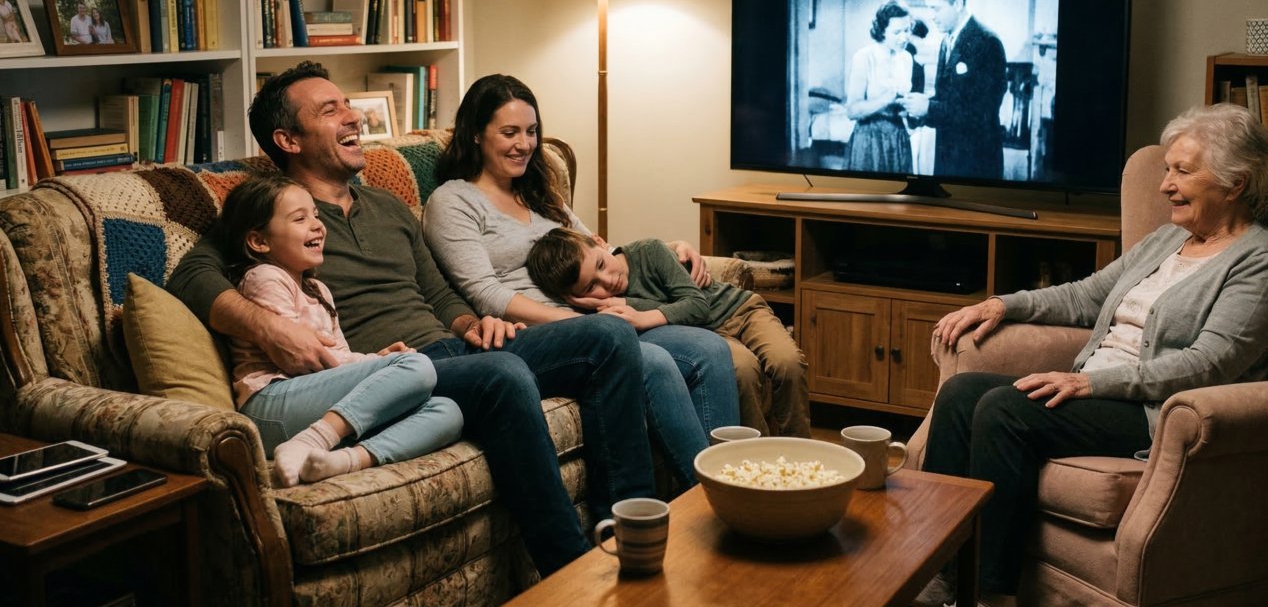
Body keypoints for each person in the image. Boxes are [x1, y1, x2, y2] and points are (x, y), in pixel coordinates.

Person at [168, 61, 656, 578]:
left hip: (458, 352)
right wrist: (269, 327)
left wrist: (471, 324)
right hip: (389, 370)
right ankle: (568, 573)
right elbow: (190, 276)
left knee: (608, 335)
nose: (352, 116)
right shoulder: (278, 215)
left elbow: (438, 294)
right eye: (330, 110)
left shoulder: (388, 205)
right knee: (505, 375)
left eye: (348, 104)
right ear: (288, 139)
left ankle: (628, 535)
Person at [913, 103, 1268, 607]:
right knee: (960, 395)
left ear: (1234, 183)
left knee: (1003, 410)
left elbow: (1210, 362)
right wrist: (1003, 303)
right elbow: (1086, 296)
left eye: (1183, 172)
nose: (1164, 184)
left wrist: (1089, 383)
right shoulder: (1169, 238)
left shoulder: (1261, 261)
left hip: (1153, 411)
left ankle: (991, 595)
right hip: (1096, 390)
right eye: (1167, 168)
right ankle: (938, 572)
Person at [422, 74, 739, 492]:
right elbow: (486, 293)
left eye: (532, 131)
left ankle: (735, 486)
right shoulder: (454, 201)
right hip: (550, 334)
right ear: (477, 135)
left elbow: (598, 249)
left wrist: (669, 247)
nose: (525, 144)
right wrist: (575, 323)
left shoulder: (540, 192)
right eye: (509, 132)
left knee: (710, 349)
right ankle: (707, 499)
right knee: (658, 363)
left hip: (599, 321)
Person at [219, 174, 463, 488]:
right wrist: (379, 366)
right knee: (418, 367)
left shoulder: (318, 289)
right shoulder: (264, 277)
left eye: (317, 216)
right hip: (270, 404)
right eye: (299, 218)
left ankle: (340, 461)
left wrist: (376, 361)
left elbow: (340, 356)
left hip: (312, 407)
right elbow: (302, 361)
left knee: (447, 410)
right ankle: (311, 440)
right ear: (259, 241)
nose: (318, 225)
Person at [528, 228, 811, 438]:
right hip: (708, 334)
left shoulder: (649, 251)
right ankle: (758, 463)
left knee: (787, 362)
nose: (608, 280)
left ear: (601, 242)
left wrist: (634, 309)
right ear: (574, 299)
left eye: (601, 264)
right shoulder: (601, 312)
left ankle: (802, 455)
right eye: (591, 287)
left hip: (739, 310)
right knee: (743, 371)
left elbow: (697, 305)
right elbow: (687, 323)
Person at [900, 0, 1007, 180]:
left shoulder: (987, 43)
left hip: (976, 163)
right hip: (948, 159)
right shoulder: (946, 41)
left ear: (958, 4)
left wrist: (929, 108)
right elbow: (948, 99)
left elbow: (982, 112)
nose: (931, 15)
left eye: (936, 8)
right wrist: (920, 110)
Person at [838, 0, 916, 174]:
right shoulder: (864, 57)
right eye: (897, 32)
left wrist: (911, 110)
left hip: (898, 139)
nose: (904, 38)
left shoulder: (906, 58)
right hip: (869, 141)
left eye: (907, 30)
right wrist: (886, 99)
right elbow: (852, 111)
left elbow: (903, 106)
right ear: (882, 31)